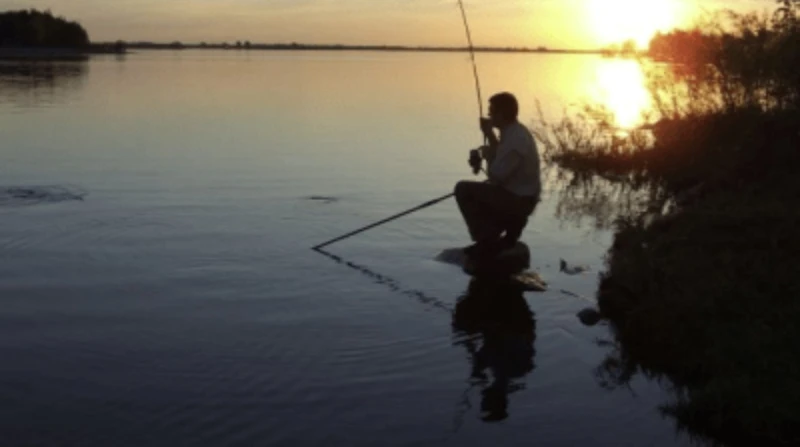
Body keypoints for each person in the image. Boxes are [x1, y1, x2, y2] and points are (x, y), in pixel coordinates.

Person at [455, 92, 541, 260]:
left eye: (491, 112)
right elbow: (501, 159)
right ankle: (506, 230)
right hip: (519, 195)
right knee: (484, 191)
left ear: (501, 115)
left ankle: (486, 241)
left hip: (520, 200)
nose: (488, 116)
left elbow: (496, 177)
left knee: (463, 189)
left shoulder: (515, 139)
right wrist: (489, 139)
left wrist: (486, 152)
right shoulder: (513, 131)